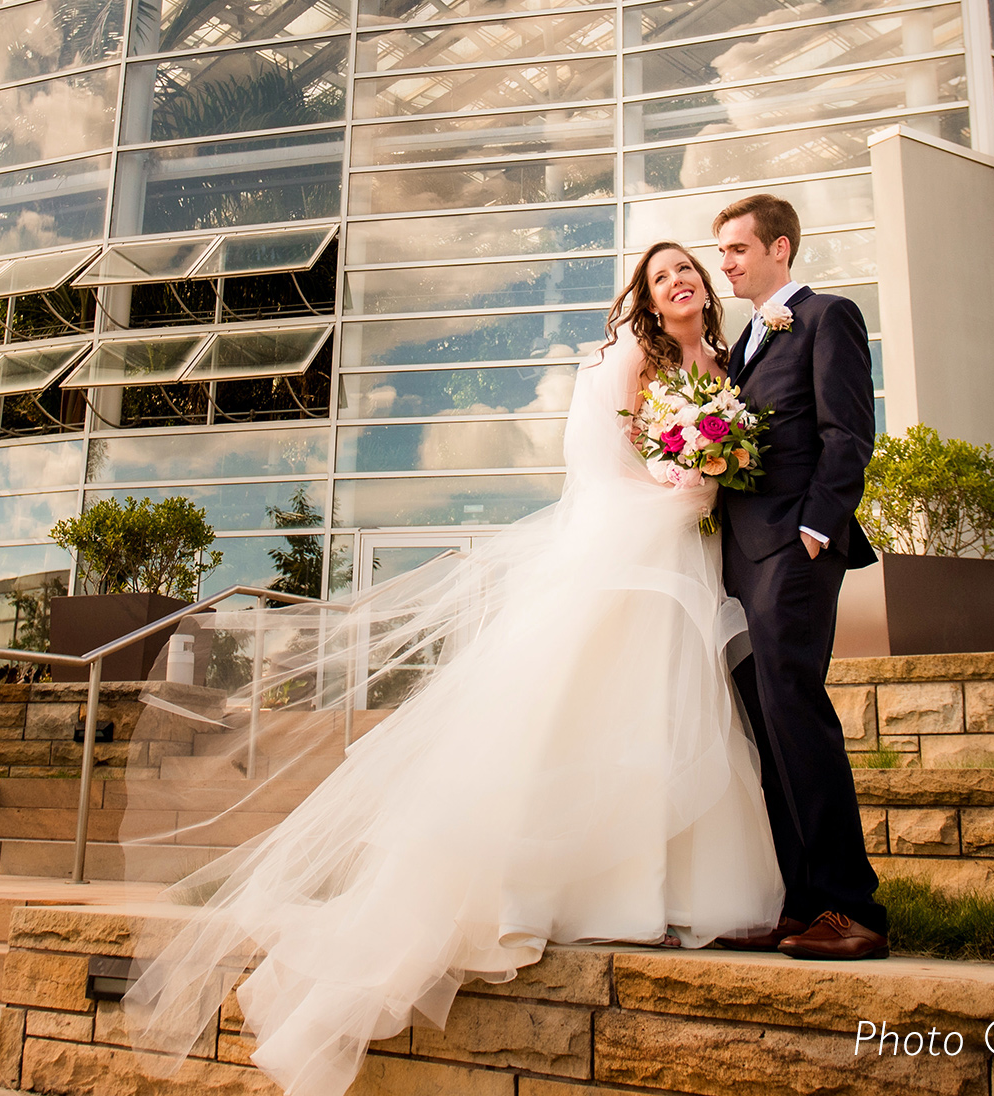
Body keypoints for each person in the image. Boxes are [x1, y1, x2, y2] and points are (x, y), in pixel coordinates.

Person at [124, 242, 783, 1096]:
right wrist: (671, 482)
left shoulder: (725, 362)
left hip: (690, 552)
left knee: (679, 709)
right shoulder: (630, 357)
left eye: (686, 269)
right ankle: (614, 896)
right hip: (634, 545)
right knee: (616, 707)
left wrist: (708, 473)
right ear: (647, 301)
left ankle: (682, 895)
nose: (679, 282)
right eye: (661, 278)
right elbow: (593, 459)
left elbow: (731, 453)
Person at [710, 192, 891, 961]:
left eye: (738, 250)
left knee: (795, 706)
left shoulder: (826, 316)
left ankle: (853, 908)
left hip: (793, 548)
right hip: (739, 558)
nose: (726, 264)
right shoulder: (742, 341)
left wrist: (816, 528)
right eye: (720, 252)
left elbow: (846, 431)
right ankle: (801, 901)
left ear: (780, 250)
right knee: (765, 722)